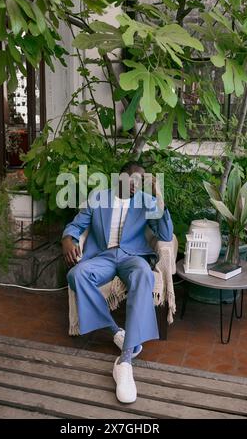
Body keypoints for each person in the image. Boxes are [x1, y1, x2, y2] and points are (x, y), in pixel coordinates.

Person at [61, 162, 173, 403]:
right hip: (103, 256)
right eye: (132, 180)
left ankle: (125, 360)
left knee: (143, 274)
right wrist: (68, 239)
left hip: (132, 257)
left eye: (140, 182)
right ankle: (115, 332)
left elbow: (164, 234)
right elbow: (76, 224)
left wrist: (158, 198)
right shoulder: (99, 197)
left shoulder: (146, 201)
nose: (135, 186)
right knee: (76, 275)